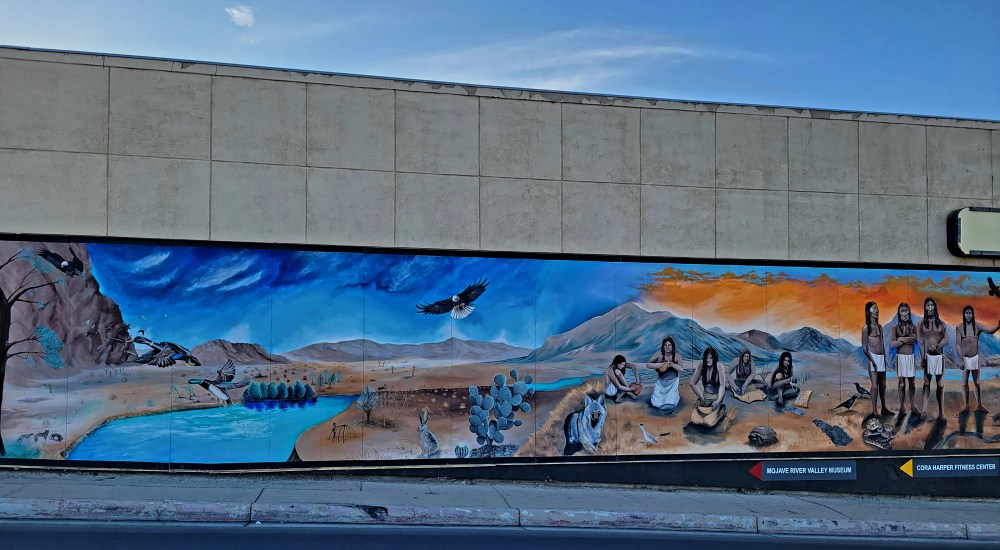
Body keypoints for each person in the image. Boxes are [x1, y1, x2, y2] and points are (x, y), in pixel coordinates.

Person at [955, 305, 1000, 413]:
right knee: (964, 382)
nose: (968, 315)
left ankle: (979, 405)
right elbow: (958, 345)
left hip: (975, 357)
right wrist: (961, 359)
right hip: (965, 358)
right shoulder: (959, 327)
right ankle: (966, 406)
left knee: (977, 383)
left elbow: (990, 331)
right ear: (964, 314)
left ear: (973, 314)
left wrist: (998, 326)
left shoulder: (977, 326)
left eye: (970, 313)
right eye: (966, 313)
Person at [918, 297, 948, 420]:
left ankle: (941, 413)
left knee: (940, 385)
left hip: (939, 357)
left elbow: (946, 338)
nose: (930, 308)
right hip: (928, 357)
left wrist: (940, 345)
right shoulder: (921, 324)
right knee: (926, 383)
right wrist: (922, 358)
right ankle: (923, 410)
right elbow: (921, 342)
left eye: (932, 305)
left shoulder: (941, 323)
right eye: (927, 305)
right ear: (925, 307)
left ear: (935, 307)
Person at [861, 301, 892, 416]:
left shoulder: (880, 327)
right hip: (872, 357)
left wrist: (884, 359)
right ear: (868, 312)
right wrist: (872, 361)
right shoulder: (866, 328)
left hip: (881, 357)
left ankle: (884, 408)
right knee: (874, 385)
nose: (877, 310)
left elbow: (882, 343)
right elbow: (865, 348)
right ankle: (874, 410)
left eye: (877, 308)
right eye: (874, 308)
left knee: (883, 385)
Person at [890, 302, 919, 415]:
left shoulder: (914, 327)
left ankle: (912, 406)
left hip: (910, 357)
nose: (904, 313)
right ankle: (902, 407)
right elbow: (892, 344)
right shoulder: (895, 328)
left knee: (912, 383)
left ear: (909, 312)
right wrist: (907, 339)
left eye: (906, 311)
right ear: (899, 313)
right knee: (901, 384)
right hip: (900, 357)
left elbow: (915, 340)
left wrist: (901, 339)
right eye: (902, 311)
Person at [646, 336, 683, 413]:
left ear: (672, 346)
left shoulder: (677, 356)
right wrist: (660, 365)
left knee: (671, 402)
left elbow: (681, 369)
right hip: (661, 382)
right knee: (656, 403)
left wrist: (672, 364)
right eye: (665, 345)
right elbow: (648, 365)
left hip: (673, 383)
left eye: (669, 345)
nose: (667, 347)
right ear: (663, 346)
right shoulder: (659, 355)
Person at [689, 346, 726, 413]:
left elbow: (722, 386)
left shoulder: (719, 365)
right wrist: (701, 398)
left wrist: (718, 401)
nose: (708, 360)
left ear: (714, 358)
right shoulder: (702, 364)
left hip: (717, 397)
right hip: (705, 396)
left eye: (711, 358)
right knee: (697, 411)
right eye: (706, 357)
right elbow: (692, 383)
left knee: (715, 415)